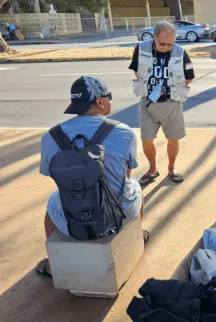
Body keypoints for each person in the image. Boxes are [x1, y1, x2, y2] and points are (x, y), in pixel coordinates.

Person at [35, 76, 146, 277]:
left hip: (71, 221)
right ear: (99, 102)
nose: (110, 101)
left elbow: (54, 177)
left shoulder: (50, 137)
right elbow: (125, 176)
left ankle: (54, 263)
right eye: (108, 97)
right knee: (135, 186)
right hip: (117, 219)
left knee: (53, 200)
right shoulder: (124, 133)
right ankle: (138, 237)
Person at [129, 21, 195, 185]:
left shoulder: (180, 52)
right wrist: (150, 87)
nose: (166, 47)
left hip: (171, 104)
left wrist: (171, 90)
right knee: (146, 139)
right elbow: (136, 70)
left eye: (170, 43)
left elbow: (189, 77)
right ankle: (153, 169)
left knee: (173, 138)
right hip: (147, 104)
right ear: (154, 36)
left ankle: (171, 168)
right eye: (162, 43)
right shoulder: (141, 48)